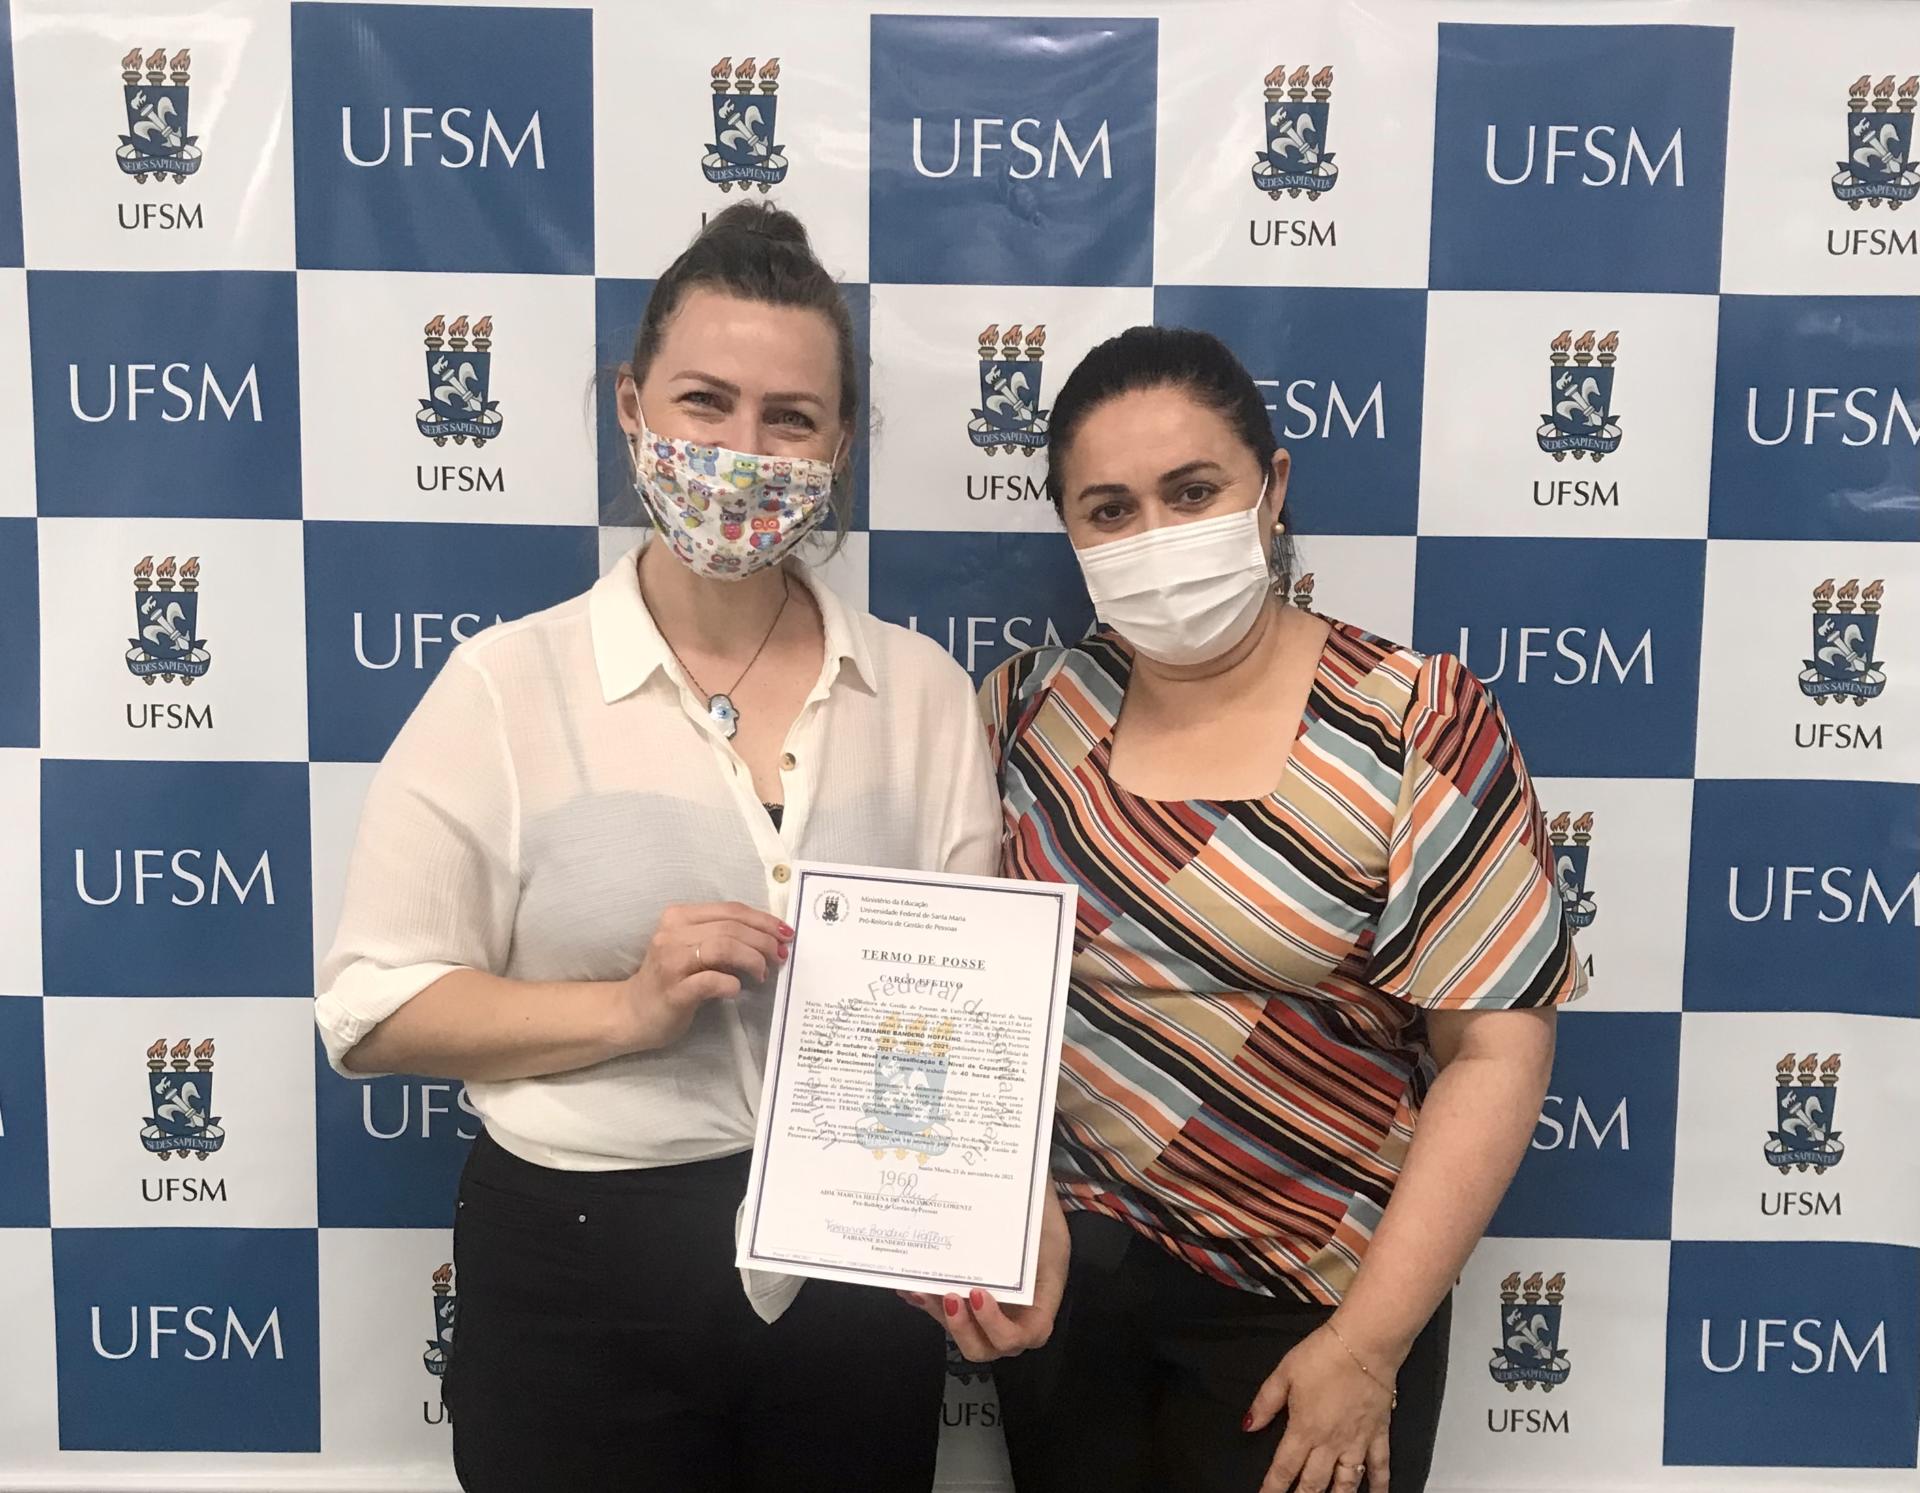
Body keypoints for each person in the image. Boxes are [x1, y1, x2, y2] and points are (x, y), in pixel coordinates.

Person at [314, 203, 1002, 1493]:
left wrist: (1001, 1214)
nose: (743, 450)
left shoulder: (919, 694)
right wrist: (625, 1008)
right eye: (704, 401)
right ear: (632, 407)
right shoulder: (506, 686)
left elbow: (975, 1021)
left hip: (861, 1271)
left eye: (790, 417)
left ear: (839, 445)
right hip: (580, 1267)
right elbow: (371, 1009)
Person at [978, 326, 1585, 1493]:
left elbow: (1496, 1049)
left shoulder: (1416, 719)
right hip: (1067, 1300)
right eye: (1110, 509)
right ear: (1070, 530)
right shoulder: (1023, 712)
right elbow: (960, 996)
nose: (1156, 534)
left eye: (1192, 491)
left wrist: (1369, 1345)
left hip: (1320, 1311)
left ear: (1273, 489)